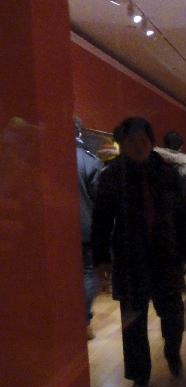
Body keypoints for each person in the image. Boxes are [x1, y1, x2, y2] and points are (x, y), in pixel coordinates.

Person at [92, 116, 186, 387]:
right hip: (130, 258)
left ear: (151, 142)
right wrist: (101, 257)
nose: (138, 146)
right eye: (131, 141)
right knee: (133, 320)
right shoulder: (112, 175)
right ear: (121, 144)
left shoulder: (167, 172)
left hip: (166, 254)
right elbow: (101, 218)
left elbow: (184, 214)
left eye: (143, 141)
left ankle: (173, 354)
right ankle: (140, 375)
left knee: (173, 313)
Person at [75, 117, 104, 339]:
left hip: (50, 232)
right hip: (84, 228)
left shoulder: (43, 156)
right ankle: (83, 321)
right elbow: (100, 201)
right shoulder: (89, 160)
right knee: (87, 273)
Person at [155, 130, 186, 203]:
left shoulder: (154, 156)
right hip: (177, 201)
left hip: (157, 199)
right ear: (180, 146)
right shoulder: (185, 161)